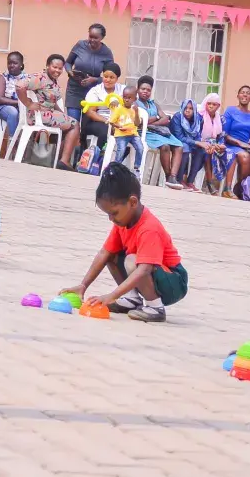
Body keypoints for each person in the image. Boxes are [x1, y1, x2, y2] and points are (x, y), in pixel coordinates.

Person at [61, 163, 189, 323]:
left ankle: (155, 307)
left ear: (133, 202)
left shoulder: (149, 228)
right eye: (108, 214)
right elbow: (104, 253)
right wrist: (83, 286)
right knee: (111, 255)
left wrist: (112, 296)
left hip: (173, 282)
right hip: (152, 274)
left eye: (114, 213)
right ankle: (131, 299)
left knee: (132, 260)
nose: (111, 219)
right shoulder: (122, 222)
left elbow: (144, 269)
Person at [16, 53, 80, 171]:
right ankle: (64, 161)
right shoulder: (40, 78)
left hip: (47, 114)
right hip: (39, 115)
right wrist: (28, 104)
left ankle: (55, 160)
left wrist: (63, 115)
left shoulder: (52, 80)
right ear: (47, 66)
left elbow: (51, 102)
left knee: (69, 125)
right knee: (75, 124)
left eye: (60, 68)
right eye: (54, 67)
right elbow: (20, 86)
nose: (57, 70)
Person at [136, 76, 185, 189]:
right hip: (144, 132)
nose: (145, 92)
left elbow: (166, 119)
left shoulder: (154, 104)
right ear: (138, 89)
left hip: (158, 131)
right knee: (165, 146)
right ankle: (168, 176)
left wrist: (152, 122)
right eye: (143, 89)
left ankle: (173, 176)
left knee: (179, 146)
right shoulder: (135, 103)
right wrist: (156, 118)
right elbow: (140, 122)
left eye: (148, 90)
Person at [219, 85, 250, 199]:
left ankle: (240, 187)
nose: (245, 95)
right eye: (242, 92)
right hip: (230, 144)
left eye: (248, 93)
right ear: (238, 96)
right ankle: (230, 189)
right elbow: (224, 133)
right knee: (245, 157)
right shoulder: (230, 110)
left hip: (246, 147)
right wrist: (240, 143)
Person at [64, 24, 114, 121]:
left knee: (87, 126)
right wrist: (70, 72)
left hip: (93, 92)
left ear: (102, 38)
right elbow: (68, 63)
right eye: (90, 36)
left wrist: (94, 80)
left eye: (96, 38)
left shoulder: (107, 52)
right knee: (73, 123)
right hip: (74, 90)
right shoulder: (80, 45)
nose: (92, 40)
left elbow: (110, 76)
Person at [171, 98, 209, 191]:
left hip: (190, 142)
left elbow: (198, 135)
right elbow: (179, 137)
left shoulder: (198, 119)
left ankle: (190, 181)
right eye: (185, 108)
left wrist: (201, 144)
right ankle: (179, 179)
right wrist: (196, 142)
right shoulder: (177, 117)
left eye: (191, 108)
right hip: (175, 141)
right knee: (185, 147)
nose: (187, 110)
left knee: (202, 151)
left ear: (194, 110)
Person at [0, 51, 26, 138]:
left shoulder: (27, 79)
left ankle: (29, 143)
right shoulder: (2, 77)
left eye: (15, 63)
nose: (11, 65)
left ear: (21, 65)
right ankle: (13, 141)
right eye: (9, 63)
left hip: (21, 108)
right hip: (0, 108)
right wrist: (19, 103)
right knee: (12, 112)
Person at [199, 92, 228, 195]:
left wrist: (221, 144)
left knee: (225, 152)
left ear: (218, 106)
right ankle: (210, 182)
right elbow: (196, 134)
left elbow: (222, 135)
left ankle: (225, 186)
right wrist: (208, 143)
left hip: (215, 144)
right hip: (200, 143)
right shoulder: (200, 116)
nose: (211, 106)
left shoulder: (221, 119)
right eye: (209, 103)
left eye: (214, 104)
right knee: (209, 150)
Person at [109, 85, 143, 172]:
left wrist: (136, 112)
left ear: (135, 99)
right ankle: (116, 168)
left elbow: (137, 124)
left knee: (140, 147)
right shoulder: (119, 109)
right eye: (125, 97)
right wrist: (119, 127)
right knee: (121, 149)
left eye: (129, 98)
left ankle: (136, 167)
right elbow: (111, 122)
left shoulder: (135, 110)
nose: (126, 100)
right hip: (121, 134)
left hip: (133, 133)